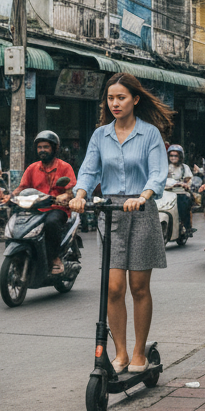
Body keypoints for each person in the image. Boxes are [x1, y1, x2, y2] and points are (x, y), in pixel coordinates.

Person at [71, 74, 170, 374]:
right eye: (110, 98)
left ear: (135, 100)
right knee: (114, 288)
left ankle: (140, 351)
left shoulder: (150, 134)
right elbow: (89, 170)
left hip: (141, 211)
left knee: (139, 287)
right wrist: (79, 194)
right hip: (111, 211)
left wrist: (143, 195)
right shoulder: (100, 135)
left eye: (121, 98)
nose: (115, 103)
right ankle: (121, 352)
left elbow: (157, 172)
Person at [15, 131, 75, 274]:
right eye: (39, 147)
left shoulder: (65, 167)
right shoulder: (32, 168)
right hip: (36, 208)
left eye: (46, 147)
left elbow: (71, 191)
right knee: (17, 218)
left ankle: (55, 258)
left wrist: (64, 196)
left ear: (54, 148)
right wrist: (9, 196)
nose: (42, 150)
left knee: (51, 223)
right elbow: (22, 188)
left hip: (57, 209)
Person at [165, 144, 194, 236]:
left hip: (180, 193)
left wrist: (185, 185)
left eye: (175, 156)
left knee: (183, 205)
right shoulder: (165, 167)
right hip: (167, 193)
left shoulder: (184, 168)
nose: (173, 158)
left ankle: (186, 227)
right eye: (171, 155)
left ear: (180, 156)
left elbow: (189, 181)